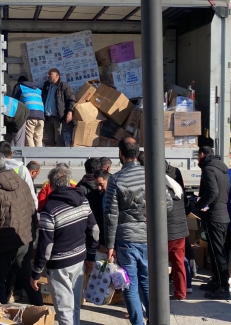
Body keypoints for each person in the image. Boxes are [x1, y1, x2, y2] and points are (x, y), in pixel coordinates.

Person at [31, 166, 98, 325]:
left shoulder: (50, 209)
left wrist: (36, 272)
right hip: (79, 260)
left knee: (64, 310)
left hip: (60, 265)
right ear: (69, 182)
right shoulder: (83, 200)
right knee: (74, 306)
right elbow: (94, 230)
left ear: (52, 185)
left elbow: (46, 246)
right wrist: (91, 257)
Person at [104, 138, 150, 325]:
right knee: (147, 282)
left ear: (121, 154)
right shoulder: (152, 174)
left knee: (129, 285)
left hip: (126, 240)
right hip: (149, 238)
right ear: (137, 154)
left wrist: (109, 245)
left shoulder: (116, 180)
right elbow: (168, 205)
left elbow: (111, 215)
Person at [0, 153, 37, 304]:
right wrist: (33, 231)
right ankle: (41, 310)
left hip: (1, 243)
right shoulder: (21, 181)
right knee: (27, 279)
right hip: (23, 239)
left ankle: (0, 316)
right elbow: (32, 207)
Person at [195, 146, 231, 299]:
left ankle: (223, 287)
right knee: (217, 251)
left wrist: (201, 204)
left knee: (217, 254)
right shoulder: (223, 169)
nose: (197, 159)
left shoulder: (209, 169)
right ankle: (216, 281)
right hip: (222, 214)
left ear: (202, 155)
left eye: (198, 156)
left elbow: (212, 192)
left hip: (214, 217)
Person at [165, 174, 189, 301]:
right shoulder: (176, 187)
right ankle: (181, 292)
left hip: (167, 232)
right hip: (180, 231)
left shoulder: (158, 187)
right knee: (178, 263)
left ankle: (160, 292)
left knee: (159, 264)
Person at [42, 69, 76, 147]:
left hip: (58, 118)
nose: (48, 76)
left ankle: (60, 158)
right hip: (47, 118)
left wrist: (70, 112)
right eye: (48, 74)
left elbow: (72, 99)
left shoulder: (64, 86)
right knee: (50, 140)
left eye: (50, 74)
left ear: (57, 75)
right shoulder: (46, 86)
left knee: (59, 140)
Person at [0, 142, 37, 208]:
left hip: (1, 208)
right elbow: (30, 192)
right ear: (11, 152)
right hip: (20, 208)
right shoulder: (22, 169)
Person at [11, 76, 45, 147]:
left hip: (30, 115)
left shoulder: (19, 86)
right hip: (41, 115)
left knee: (29, 137)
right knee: (38, 139)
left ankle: (32, 156)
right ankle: (39, 157)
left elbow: (14, 101)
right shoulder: (38, 89)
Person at [91, 170, 110, 249]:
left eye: (101, 184)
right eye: (96, 185)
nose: (99, 188)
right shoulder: (103, 195)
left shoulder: (114, 197)